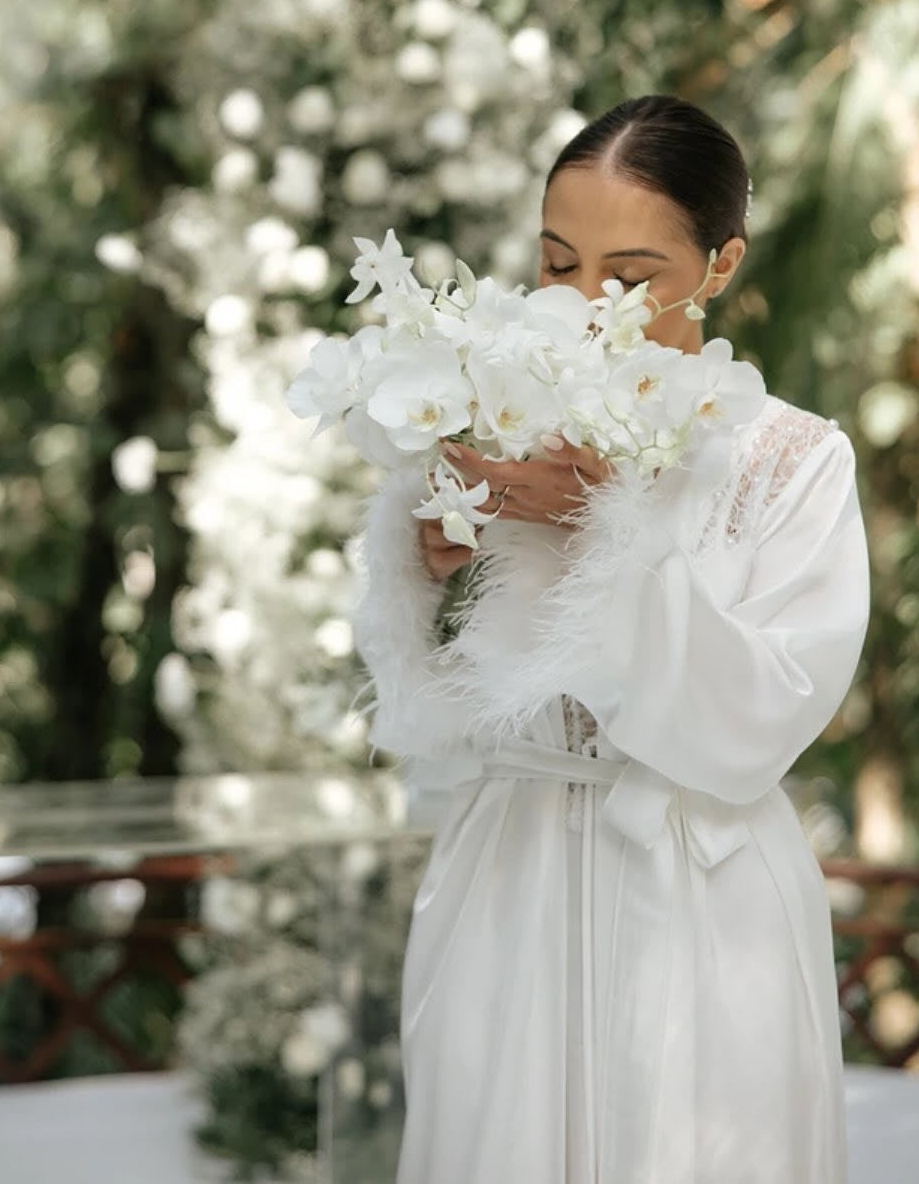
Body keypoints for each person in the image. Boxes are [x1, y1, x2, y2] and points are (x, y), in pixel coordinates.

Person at [350, 94, 871, 1183]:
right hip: (511, 874)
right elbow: (431, 701)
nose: (585, 303)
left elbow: (775, 705)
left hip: (703, 889)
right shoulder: (494, 420)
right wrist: (426, 562)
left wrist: (603, 531)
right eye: (557, 264)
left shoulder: (792, 460)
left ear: (721, 264)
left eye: (631, 276)